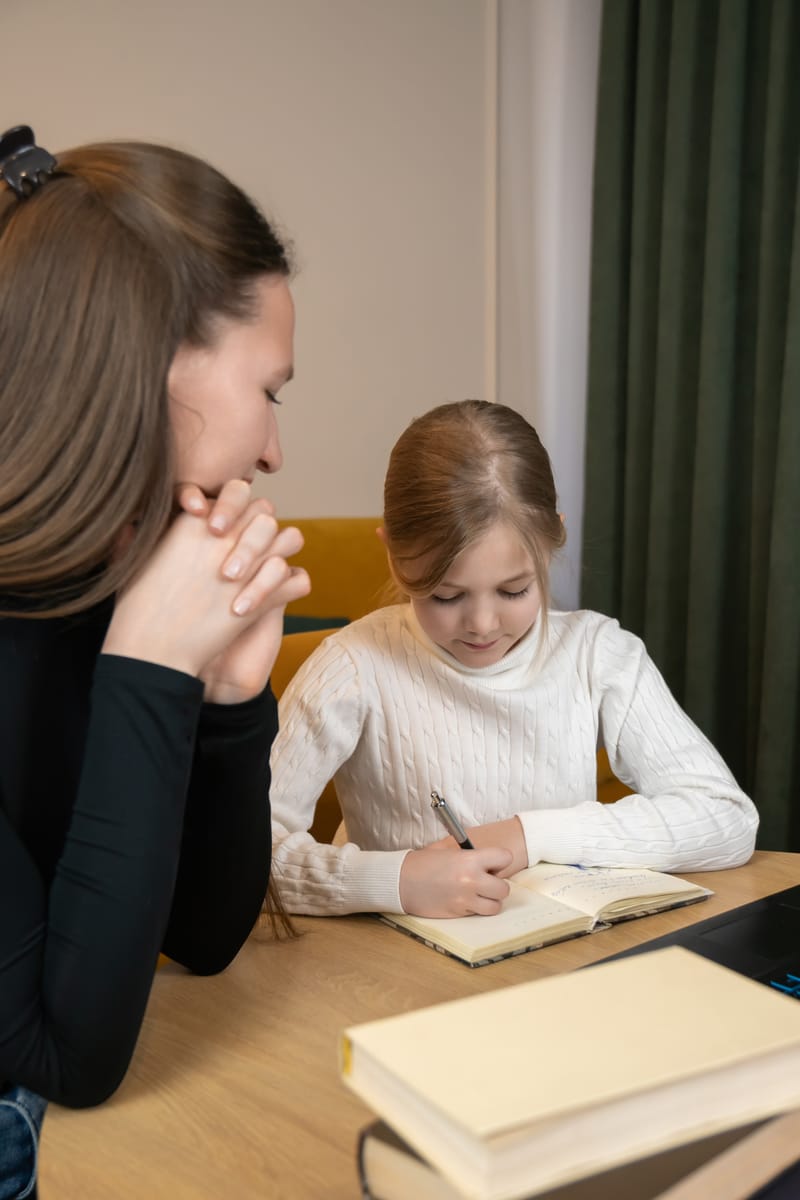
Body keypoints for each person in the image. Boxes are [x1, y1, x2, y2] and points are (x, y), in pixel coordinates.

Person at [0, 125, 310, 1199]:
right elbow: (62, 1061)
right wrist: (148, 662)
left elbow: (207, 936)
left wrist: (227, 699)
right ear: (153, 362)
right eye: (271, 388)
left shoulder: (108, 572)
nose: (273, 449)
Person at [270, 399, 758, 919]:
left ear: (550, 544)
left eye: (514, 590)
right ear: (392, 553)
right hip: (398, 976)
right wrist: (395, 880)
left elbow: (726, 819)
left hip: (555, 963)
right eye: (446, 596)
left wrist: (528, 835)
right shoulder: (353, 666)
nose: (482, 624)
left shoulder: (598, 654)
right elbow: (238, 856)